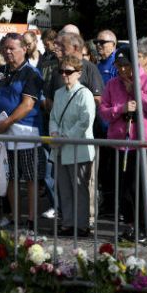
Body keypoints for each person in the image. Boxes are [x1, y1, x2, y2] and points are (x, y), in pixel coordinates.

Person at [99, 46, 147, 243]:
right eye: (119, 66)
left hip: (140, 143)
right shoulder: (111, 84)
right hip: (119, 142)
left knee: (139, 187)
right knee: (123, 189)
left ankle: (144, 228)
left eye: (126, 66)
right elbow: (104, 111)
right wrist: (121, 108)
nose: (123, 70)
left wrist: (137, 93)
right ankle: (130, 226)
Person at [0, 33, 45, 231]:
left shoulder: (32, 73)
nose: (8, 52)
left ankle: (32, 219)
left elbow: (28, 104)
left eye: (12, 48)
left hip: (25, 131)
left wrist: (7, 122)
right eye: (5, 48)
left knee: (30, 177)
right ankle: (15, 217)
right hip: (3, 132)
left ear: (24, 49)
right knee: (9, 176)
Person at [49, 54, 97, 237]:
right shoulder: (58, 93)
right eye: (62, 71)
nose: (64, 75)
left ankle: (82, 224)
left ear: (78, 73)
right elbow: (53, 117)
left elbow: (85, 120)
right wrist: (54, 133)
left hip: (78, 148)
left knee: (79, 187)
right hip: (60, 147)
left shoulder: (85, 94)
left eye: (68, 71)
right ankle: (68, 222)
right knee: (64, 187)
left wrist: (66, 137)